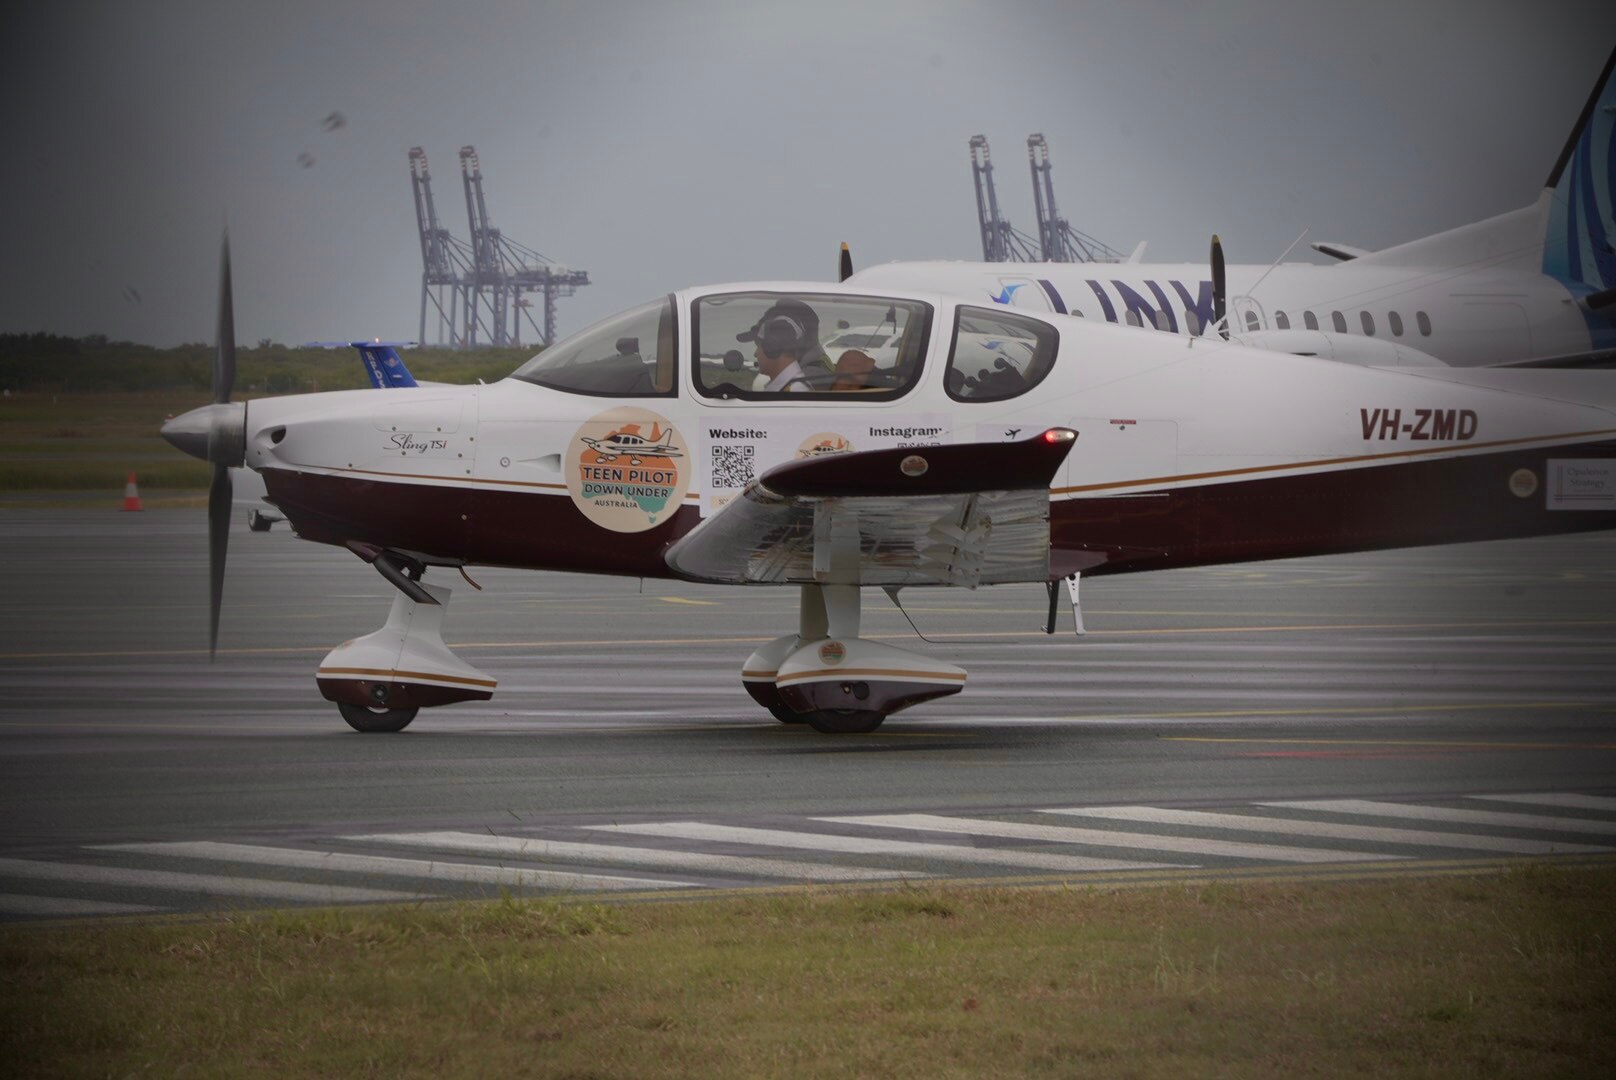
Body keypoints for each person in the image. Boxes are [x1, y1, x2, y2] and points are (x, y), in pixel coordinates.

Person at [737, 299, 834, 392]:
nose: (755, 354)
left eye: (758, 346)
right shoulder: (792, 382)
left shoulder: (801, 384)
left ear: (773, 348)